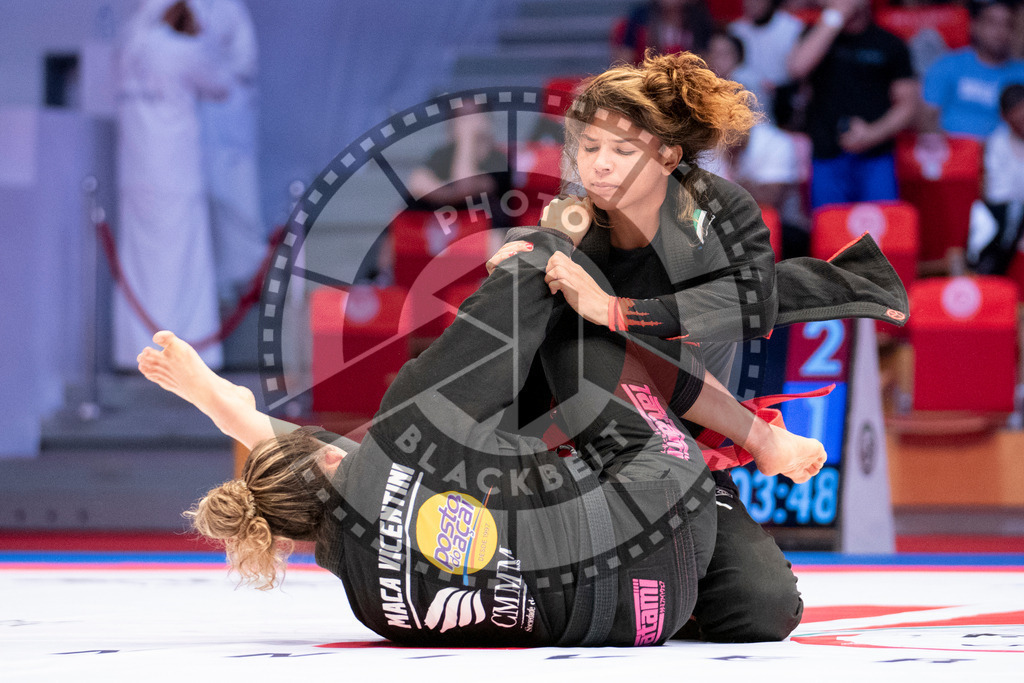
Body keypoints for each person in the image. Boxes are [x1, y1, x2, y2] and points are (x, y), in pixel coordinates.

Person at [138, 218, 828, 647]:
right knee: (566, 298)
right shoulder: (392, 439)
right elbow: (522, 298)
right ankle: (753, 435)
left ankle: (235, 412)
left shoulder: (370, 607)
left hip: (647, 614)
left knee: (766, 607)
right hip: (659, 486)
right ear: (323, 449)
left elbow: (356, 496)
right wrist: (546, 242)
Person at [488, 51, 909, 642]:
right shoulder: (575, 217)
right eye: (588, 148)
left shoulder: (720, 213)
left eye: (621, 150)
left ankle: (667, 573)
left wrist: (614, 309)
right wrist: (528, 248)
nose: (599, 166)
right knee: (563, 313)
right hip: (574, 443)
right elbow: (545, 241)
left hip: (681, 446)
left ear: (667, 155)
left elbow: (749, 303)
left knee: (760, 609)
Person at [114, 0, 229, 369]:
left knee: (140, 265)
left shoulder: (127, 48)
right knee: (183, 263)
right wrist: (199, 32)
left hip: (136, 175)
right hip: (175, 173)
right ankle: (192, 355)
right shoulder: (181, 51)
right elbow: (221, 83)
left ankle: (136, 351)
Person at [786, 0, 920, 208]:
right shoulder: (816, 35)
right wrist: (836, 14)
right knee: (831, 233)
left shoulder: (891, 44)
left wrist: (872, 134)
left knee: (880, 234)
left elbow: (907, 106)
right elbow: (797, 68)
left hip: (876, 156)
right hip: (826, 154)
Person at [190, 0, 269, 305]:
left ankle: (246, 277)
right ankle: (222, 281)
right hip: (208, 117)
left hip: (228, 112)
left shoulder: (227, 7)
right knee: (211, 198)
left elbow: (231, 56)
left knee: (238, 199)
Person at [922, 0, 1024, 140]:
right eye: (992, 23)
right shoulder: (949, 64)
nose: (1000, 32)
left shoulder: (1021, 73)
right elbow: (928, 114)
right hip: (952, 151)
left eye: (1008, 25)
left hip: (1005, 155)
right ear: (974, 26)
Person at [967, 83, 1024, 273]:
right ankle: (993, 273)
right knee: (1010, 215)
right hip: (1003, 212)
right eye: (1017, 111)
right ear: (1005, 116)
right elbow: (997, 194)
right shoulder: (997, 143)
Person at [727, 0, 805, 121]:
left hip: (783, 98)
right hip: (745, 100)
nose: (752, 3)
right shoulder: (736, 30)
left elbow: (799, 70)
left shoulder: (792, 26)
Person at [611, 0, 715, 66]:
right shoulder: (639, 17)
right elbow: (623, 62)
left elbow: (707, 62)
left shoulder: (699, 20)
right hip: (645, 83)